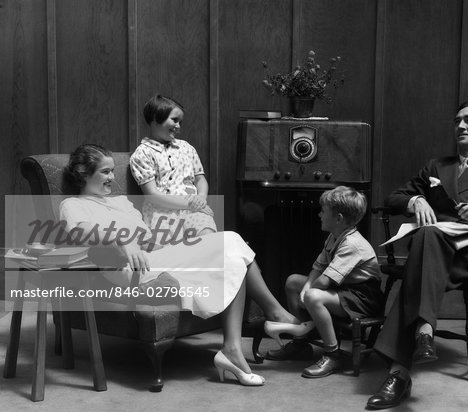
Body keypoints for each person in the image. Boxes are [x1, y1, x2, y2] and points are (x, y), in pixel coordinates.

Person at [60, 144, 311, 387]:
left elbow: (148, 237)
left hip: (156, 255)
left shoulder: (121, 201)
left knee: (232, 248)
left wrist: (179, 242)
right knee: (232, 245)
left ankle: (232, 348)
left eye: (113, 170)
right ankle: (272, 318)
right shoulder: (73, 205)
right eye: (105, 171)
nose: (112, 177)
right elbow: (82, 233)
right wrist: (120, 241)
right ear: (83, 173)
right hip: (127, 270)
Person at [366, 102, 468, 409]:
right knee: (428, 236)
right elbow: (394, 196)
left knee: (423, 246)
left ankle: (417, 339)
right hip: (433, 252)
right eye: (457, 120)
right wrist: (416, 199)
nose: (461, 125)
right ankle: (408, 359)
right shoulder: (437, 167)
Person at [265, 186, 384, 378]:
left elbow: (325, 281)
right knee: (293, 282)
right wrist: (304, 288)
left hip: (363, 298)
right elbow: (318, 267)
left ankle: (332, 354)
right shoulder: (334, 236)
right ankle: (301, 343)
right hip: (344, 289)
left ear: (338, 219)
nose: (319, 214)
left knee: (313, 296)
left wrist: (308, 294)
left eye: (323, 212)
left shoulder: (353, 244)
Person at [130, 94, 216, 238]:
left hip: (193, 210)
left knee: (207, 235)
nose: (178, 126)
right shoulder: (142, 154)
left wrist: (201, 198)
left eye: (180, 122)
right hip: (161, 213)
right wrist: (187, 204)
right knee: (170, 251)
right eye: (174, 120)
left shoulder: (187, 148)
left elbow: (200, 179)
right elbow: (152, 195)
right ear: (156, 118)